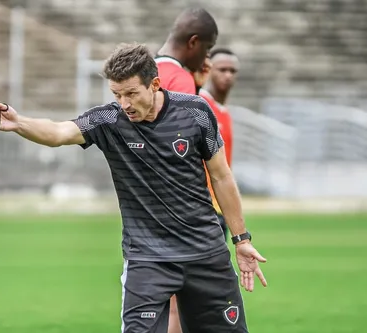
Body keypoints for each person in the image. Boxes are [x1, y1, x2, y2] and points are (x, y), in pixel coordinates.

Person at [0, 42, 267, 333]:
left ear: (154, 84)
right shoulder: (110, 119)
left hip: (206, 255)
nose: (124, 103)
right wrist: (18, 123)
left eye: (131, 93)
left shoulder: (196, 111)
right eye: (117, 94)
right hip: (147, 259)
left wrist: (242, 240)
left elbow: (221, 177)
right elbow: (58, 132)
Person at [155, 8, 217, 332]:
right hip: (181, 211)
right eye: (207, 49)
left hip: (147, 209)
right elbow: (184, 148)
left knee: (153, 305)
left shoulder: (145, 74)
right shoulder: (180, 81)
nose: (207, 58)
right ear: (194, 43)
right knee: (180, 307)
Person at [200, 47, 240, 241]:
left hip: (220, 205)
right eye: (222, 69)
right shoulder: (201, 106)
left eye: (232, 71)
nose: (228, 75)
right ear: (208, 70)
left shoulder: (224, 112)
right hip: (203, 206)